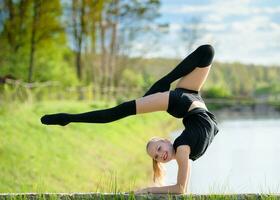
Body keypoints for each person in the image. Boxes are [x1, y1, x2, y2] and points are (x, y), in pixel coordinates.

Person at [40, 44, 219, 195]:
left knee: (118, 112)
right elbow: (181, 189)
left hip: (178, 102)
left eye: (158, 149)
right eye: (157, 156)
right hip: (192, 98)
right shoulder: (182, 152)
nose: (160, 155)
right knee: (208, 52)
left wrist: (146, 190)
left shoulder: (181, 148)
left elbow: (180, 189)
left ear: (165, 141)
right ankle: (156, 90)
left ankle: (69, 118)